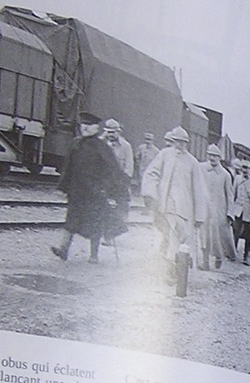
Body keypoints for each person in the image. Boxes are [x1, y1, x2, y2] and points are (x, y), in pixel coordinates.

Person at [52, 113, 130, 263]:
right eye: (83, 124)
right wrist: (64, 187)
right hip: (77, 191)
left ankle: (93, 255)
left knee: (95, 223)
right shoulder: (75, 144)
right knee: (71, 221)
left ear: (97, 128)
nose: (85, 128)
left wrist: (109, 189)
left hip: (95, 192)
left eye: (89, 125)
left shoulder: (102, 147)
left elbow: (112, 170)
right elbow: (68, 168)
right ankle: (63, 250)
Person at [141, 126, 211, 290]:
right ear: (172, 141)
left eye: (183, 142)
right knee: (167, 237)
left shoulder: (193, 162)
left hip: (183, 209)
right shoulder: (164, 155)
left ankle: (176, 268)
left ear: (187, 143)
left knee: (180, 239)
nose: (179, 145)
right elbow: (152, 173)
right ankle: (169, 270)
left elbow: (199, 190)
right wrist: (151, 193)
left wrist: (199, 216)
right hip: (164, 205)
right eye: (176, 141)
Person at [199, 145, 237, 269]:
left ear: (220, 158)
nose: (212, 158)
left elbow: (230, 196)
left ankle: (219, 256)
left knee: (217, 237)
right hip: (204, 208)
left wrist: (230, 213)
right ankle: (205, 262)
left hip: (219, 210)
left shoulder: (225, 175)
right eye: (210, 155)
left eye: (215, 156)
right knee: (204, 235)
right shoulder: (201, 168)